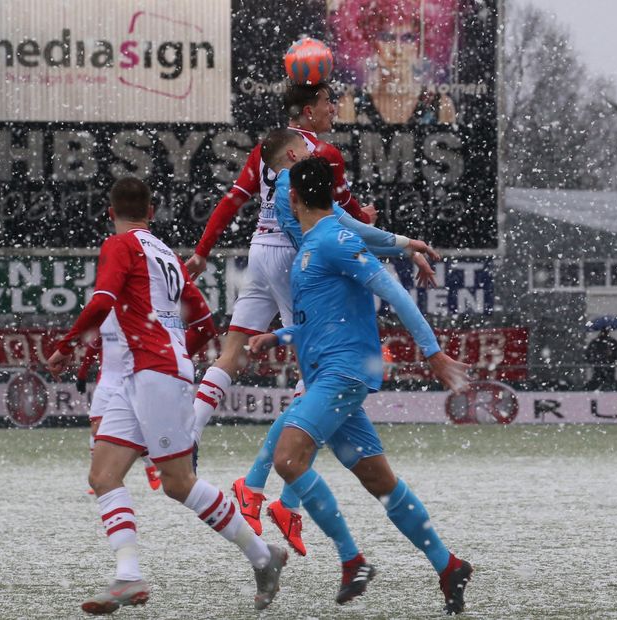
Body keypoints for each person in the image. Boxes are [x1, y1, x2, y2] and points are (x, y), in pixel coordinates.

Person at [184, 81, 438, 543]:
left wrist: (203, 252)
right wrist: (390, 237)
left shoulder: (269, 147)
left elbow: (232, 200)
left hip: (258, 250)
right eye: (327, 102)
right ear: (307, 110)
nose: (334, 109)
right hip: (294, 256)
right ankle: (272, 494)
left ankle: (189, 437)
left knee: (232, 353)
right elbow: (338, 215)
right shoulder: (314, 155)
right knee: (317, 375)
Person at [45, 177, 287, 614]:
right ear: (151, 212)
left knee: (179, 483)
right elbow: (203, 324)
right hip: (145, 373)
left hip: (152, 372)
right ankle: (128, 576)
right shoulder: (166, 255)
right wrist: (175, 354)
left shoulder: (119, 245)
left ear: (109, 212)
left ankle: (264, 557)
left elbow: (101, 302)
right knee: (103, 476)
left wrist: (66, 346)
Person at [248, 157, 473, 613]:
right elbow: (320, 320)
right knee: (379, 481)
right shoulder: (315, 245)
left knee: (288, 458)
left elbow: (393, 292)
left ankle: (352, 560)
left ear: (292, 198)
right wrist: (280, 335)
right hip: (330, 374)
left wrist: (433, 353)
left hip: (342, 374)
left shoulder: (332, 239)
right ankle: (448, 564)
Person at [331, 0, 459, 125]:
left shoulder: (440, 105)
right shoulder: (350, 105)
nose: (397, 50)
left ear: (420, 43)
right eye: (387, 38)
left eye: (408, 38)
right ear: (371, 41)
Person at [75, 333, 162, 494]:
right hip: (106, 383)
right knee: (96, 428)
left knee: (138, 427)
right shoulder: (104, 318)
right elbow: (92, 348)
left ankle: (150, 465)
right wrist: (82, 374)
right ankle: (99, 474)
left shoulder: (135, 319)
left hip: (131, 380)